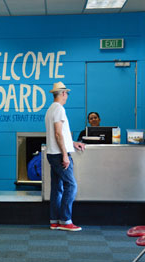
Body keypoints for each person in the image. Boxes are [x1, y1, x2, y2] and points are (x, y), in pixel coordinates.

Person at [45, 81, 85, 232]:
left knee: (57, 188)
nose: (67, 96)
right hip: (59, 154)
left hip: (52, 153)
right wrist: (65, 155)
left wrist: (72, 143)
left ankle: (54, 220)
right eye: (66, 93)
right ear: (62, 93)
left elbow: (60, 134)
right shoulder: (59, 109)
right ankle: (65, 220)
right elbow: (57, 133)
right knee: (71, 186)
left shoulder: (51, 109)